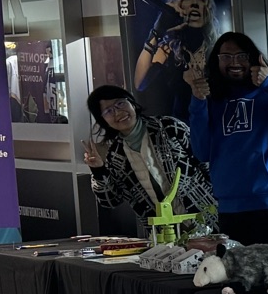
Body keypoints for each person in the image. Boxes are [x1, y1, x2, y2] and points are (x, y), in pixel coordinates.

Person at [188, 30, 268, 252]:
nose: (234, 62)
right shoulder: (212, 98)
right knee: (235, 274)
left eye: (241, 56)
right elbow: (202, 151)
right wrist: (198, 101)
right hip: (230, 209)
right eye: (226, 56)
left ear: (254, 59)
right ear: (216, 61)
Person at [81, 85, 217, 239]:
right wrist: (98, 170)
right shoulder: (114, 155)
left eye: (120, 103)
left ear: (131, 102)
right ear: (102, 120)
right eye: (108, 111)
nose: (118, 112)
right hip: (163, 234)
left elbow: (206, 162)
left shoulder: (168, 127)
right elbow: (111, 201)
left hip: (206, 216)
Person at [134, 0, 215, 119]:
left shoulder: (216, 46)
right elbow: (140, 83)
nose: (194, 4)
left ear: (206, 8)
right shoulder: (168, 47)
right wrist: (156, 32)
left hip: (212, 123)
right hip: (181, 127)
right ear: (178, 6)